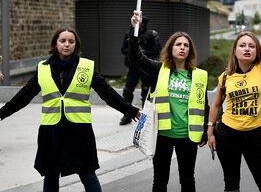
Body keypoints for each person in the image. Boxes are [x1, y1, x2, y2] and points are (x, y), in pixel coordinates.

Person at [0, 27, 141, 191]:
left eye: (71, 41)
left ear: (76, 45)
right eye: (62, 41)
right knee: (51, 174)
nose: (66, 44)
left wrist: (131, 110)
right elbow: (24, 95)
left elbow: (107, 93)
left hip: (79, 131)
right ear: (55, 44)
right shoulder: (43, 68)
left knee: (87, 173)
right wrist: (2, 113)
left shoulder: (86, 67)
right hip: (51, 130)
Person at [128, 11, 209, 192]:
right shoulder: (158, 69)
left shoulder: (199, 75)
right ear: (170, 48)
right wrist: (134, 29)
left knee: (188, 180)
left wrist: (205, 130)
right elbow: (134, 56)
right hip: (162, 135)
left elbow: (203, 105)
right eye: (178, 44)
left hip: (187, 136)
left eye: (186, 45)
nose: (182, 48)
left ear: (190, 50)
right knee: (160, 180)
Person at [208, 0, 261, 192]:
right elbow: (215, 105)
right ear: (235, 51)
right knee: (231, 185)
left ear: (256, 51)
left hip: (254, 136)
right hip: (227, 135)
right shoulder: (225, 77)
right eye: (242, 45)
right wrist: (210, 131)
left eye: (251, 46)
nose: (247, 49)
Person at [120, 15, 161, 125]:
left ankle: (145, 116)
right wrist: (131, 52)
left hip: (145, 67)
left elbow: (156, 51)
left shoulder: (151, 35)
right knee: (128, 90)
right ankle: (127, 114)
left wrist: (144, 53)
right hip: (133, 67)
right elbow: (123, 49)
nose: (140, 24)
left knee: (146, 91)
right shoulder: (129, 34)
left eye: (142, 23)